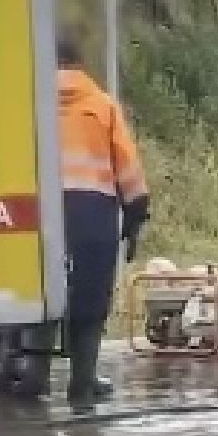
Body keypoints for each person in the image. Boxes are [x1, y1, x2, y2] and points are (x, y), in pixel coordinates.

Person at [55, 35, 151, 403]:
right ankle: (82, 381)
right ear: (80, 65)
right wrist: (135, 215)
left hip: (41, 210)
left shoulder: (27, 104)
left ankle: (28, 373)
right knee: (91, 293)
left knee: (40, 292)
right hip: (92, 210)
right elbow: (126, 166)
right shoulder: (101, 105)